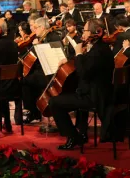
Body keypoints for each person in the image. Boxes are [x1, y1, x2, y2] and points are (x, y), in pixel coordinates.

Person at [49, 20, 114, 149]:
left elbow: (84, 73)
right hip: (102, 93)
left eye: (85, 30)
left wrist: (78, 53)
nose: (82, 33)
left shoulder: (98, 52)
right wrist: (70, 59)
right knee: (71, 92)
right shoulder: (101, 47)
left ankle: (74, 136)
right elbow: (88, 62)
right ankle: (81, 132)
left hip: (94, 96)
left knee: (54, 102)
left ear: (95, 33)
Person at [22, 17, 62, 124]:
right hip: (42, 71)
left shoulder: (53, 38)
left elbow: (51, 58)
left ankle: (34, 112)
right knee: (27, 80)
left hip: (51, 74)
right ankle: (34, 112)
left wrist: (37, 47)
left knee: (24, 82)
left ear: (42, 27)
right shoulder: (42, 38)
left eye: (36, 28)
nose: (34, 30)